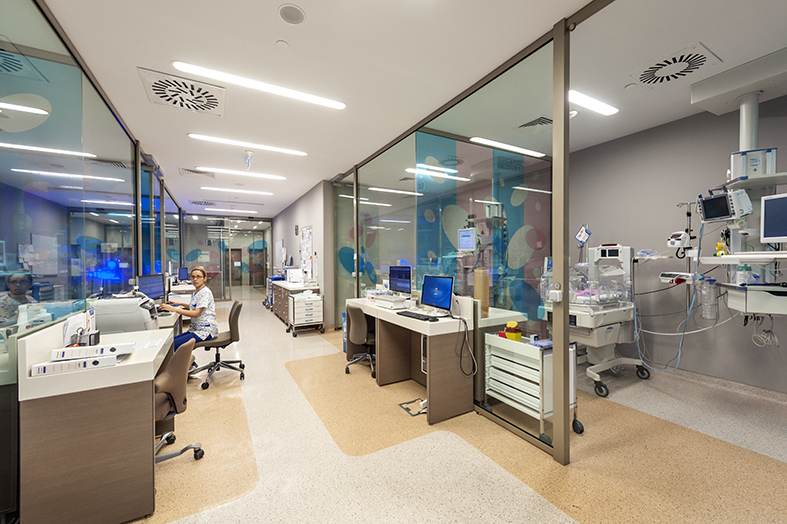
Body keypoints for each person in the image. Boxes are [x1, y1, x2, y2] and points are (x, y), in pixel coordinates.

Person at [159, 266, 218, 350]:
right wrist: (178, 303)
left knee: (172, 345)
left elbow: (196, 313)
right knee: (171, 341)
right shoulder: (197, 291)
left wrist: (174, 309)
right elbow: (193, 306)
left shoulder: (205, 292)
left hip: (205, 331)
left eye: (198, 276)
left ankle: (182, 358)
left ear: (204, 278)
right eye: (193, 277)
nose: (195, 279)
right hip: (196, 328)